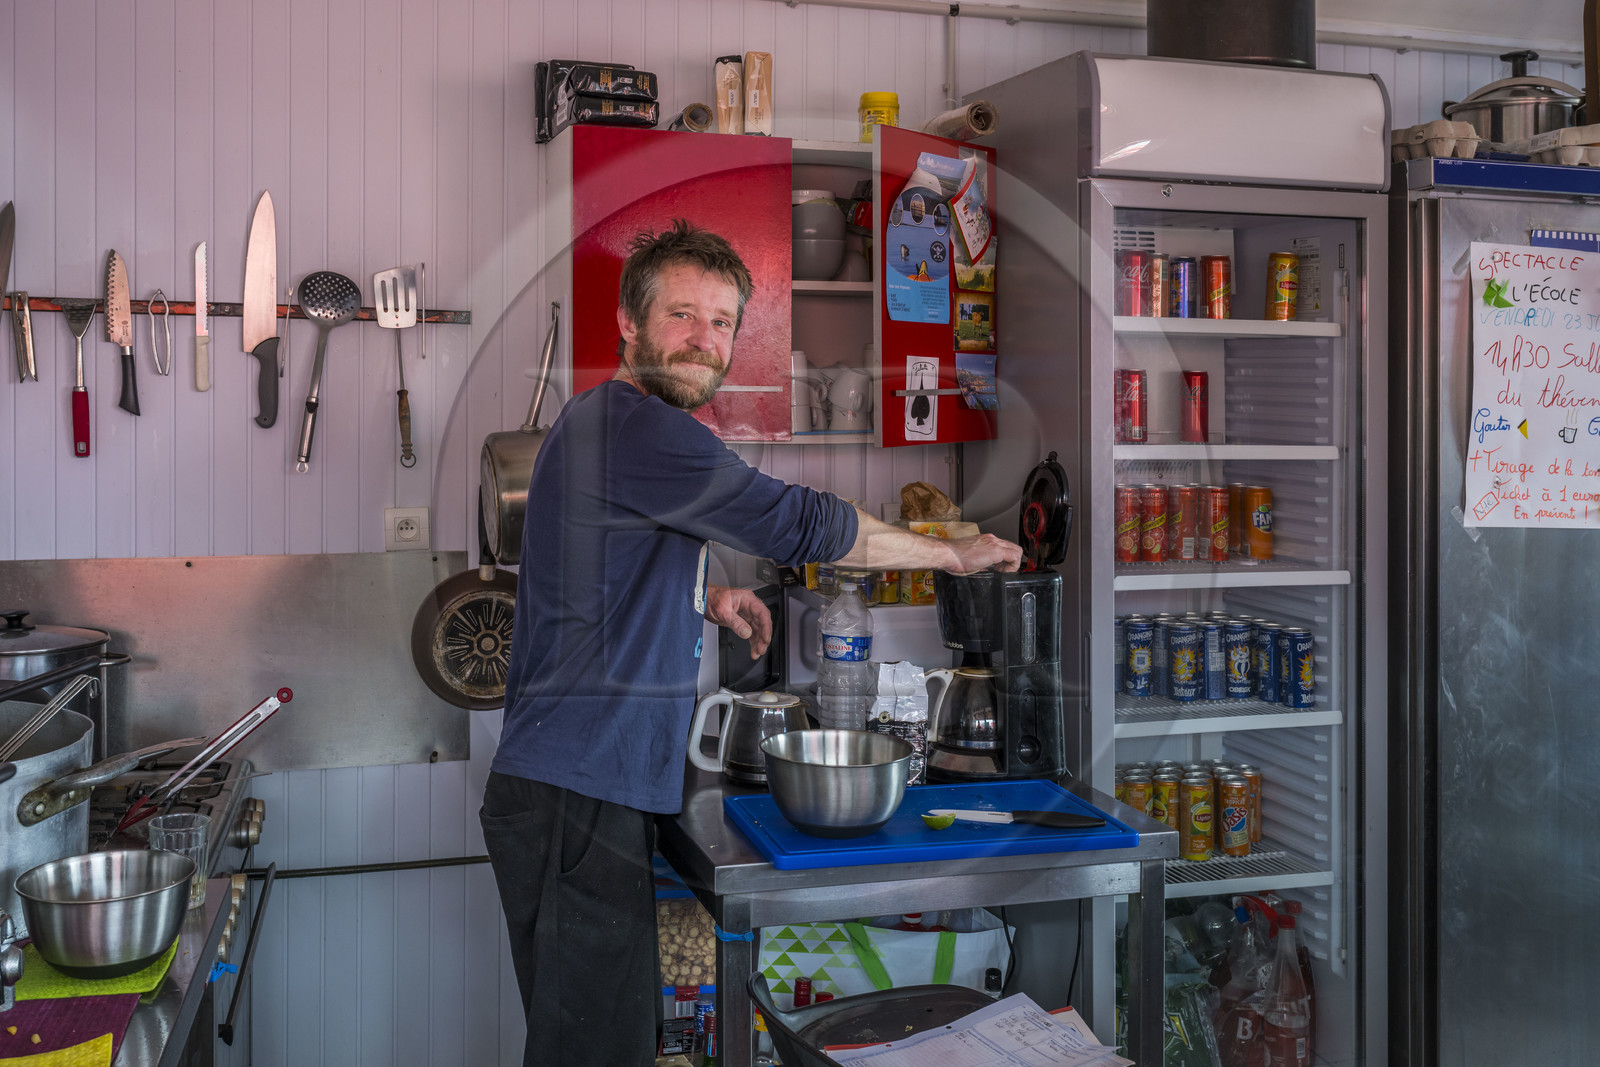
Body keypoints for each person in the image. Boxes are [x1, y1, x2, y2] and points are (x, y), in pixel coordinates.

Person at [481, 218, 1023, 1066]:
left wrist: (706, 594)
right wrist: (950, 552)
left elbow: (597, 562)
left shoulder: (603, 421)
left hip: (579, 783)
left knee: (600, 1039)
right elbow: (797, 522)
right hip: (576, 790)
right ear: (629, 323)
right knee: (591, 1052)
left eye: (724, 321)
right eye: (682, 316)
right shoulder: (640, 425)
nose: (706, 340)